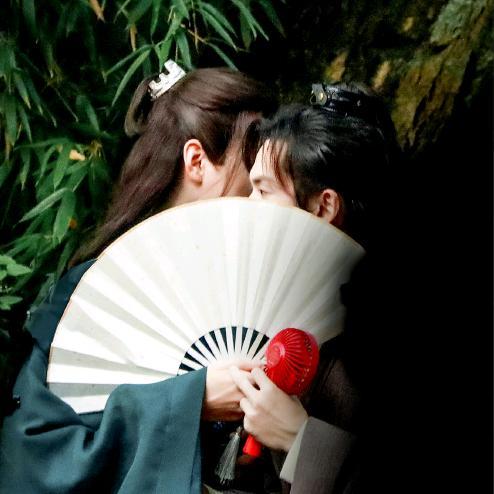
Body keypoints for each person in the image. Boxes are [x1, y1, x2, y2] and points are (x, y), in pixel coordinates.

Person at [0, 62, 276, 493]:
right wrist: (193, 399)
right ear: (197, 161)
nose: (259, 200)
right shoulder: (91, 293)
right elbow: (35, 456)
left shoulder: (244, 287)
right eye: (251, 177)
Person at [225, 83, 399, 493]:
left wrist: (298, 438)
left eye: (263, 190)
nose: (247, 205)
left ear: (324, 207)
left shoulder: (379, 340)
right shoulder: (279, 317)